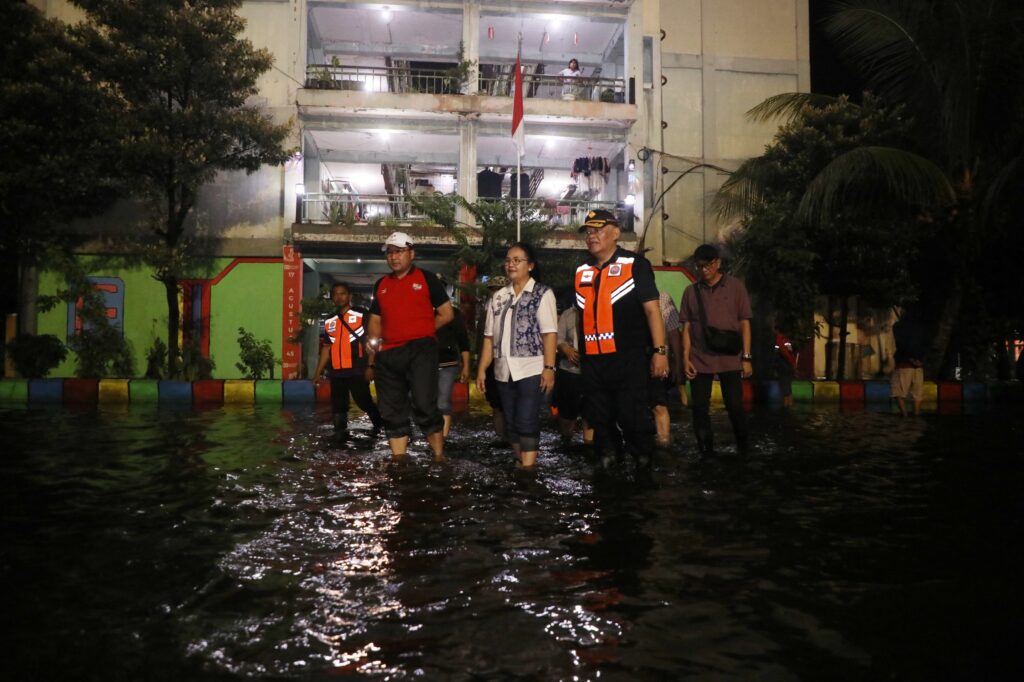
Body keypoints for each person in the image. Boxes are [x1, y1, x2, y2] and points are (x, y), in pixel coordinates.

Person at [574, 209, 668, 466]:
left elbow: (652, 310)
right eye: (588, 232)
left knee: (634, 419)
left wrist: (660, 352)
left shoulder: (634, 265)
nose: (591, 236)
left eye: (598, 230)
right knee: (600, 423)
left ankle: (643, 471)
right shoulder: (581, 271)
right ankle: (609, 474)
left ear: (615, 233)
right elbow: (579, 317)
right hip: (593, 363)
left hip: (628, 360)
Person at [365, 231, 454, 461]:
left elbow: (446, 313)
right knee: (391, 409)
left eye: (399, 251)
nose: (394, 257)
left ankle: (438, 455)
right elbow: (375, 319)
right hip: (388, 353)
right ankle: (399, 460)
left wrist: (424, 330)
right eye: (390, 252)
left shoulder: (427, 279)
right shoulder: (381, 284)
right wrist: (373, 346)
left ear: (411, 254)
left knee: (425, 404)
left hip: (421, 350)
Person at [476, 243, 558, 468]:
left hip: (532, 368)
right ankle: (520, 461)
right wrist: (482, 369)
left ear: (530, 265)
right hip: (503, 369)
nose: (510, 264)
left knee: (526, 419)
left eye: (517, 260)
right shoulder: (499, 297)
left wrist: (549, 368)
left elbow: (550, 333)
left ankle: (528, 470)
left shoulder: (542, 293)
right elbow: (488, 338)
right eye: (508, 260)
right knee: (510, 421)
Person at [680, 244, 753, 456]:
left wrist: (747, 357)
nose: (704, 270)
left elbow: (744, 323)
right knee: (699, 408)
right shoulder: (690, 292)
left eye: (708, 265)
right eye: (700, 266)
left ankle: (744, 450)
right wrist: (685, 358)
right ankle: (706, 453)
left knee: (735, 407)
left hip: (730, 357)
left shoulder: (735, 287)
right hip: (700, 358)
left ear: (718, 263)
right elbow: (685, 327)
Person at [312, 282, 384, 440]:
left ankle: (380, 428)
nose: (339, 297)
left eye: (342, 293)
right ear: (332, 298)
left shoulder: (362, 315)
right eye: (336, 294)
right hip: (336, 371)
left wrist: (371, 365)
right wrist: (317, 373)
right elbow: (326, 348)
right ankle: (340, 436)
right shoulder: (330, 321)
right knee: (338, 407)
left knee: (363, 401)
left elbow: (373, 340)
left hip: (357, 369)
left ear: (349, 296)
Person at [435, 275, 471, 437]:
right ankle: (432, 435)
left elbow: (463, 342)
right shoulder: (421, 313)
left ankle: (442, 438)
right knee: (423, 402)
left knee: (443, 401)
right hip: (424, 364)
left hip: (447, 364)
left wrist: (466, 366)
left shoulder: (453, 313)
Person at [554, 304, 593, 447]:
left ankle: (589, 446)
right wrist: (566, 348)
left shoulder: (597, 308)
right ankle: (566, 440)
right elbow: (558, 338)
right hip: (570, 372)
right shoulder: (567, 314)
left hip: (591, 371)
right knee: (566, 413)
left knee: (590, 413)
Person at [651, 290, 685, 447]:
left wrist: (678, 364)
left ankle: (664, 444)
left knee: (659, 404)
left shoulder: (662, 298)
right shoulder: (624, 296)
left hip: (659, 359)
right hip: (634, 361)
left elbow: (674, 334)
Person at [890, 307, 926, 416]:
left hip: (904, 364)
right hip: (918, 365)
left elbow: (901, 344)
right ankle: (916, 415)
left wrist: (910, 358)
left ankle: (904, 416)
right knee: (917, 395)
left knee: (898, 392)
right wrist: (919, 360)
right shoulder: (921, 328)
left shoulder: (898, 327)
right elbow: (924, 344)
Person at [774, 325, 798, 407]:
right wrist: (793, 364)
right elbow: (790, 352)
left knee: (784, 387)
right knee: (788, 386)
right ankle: (790, 404)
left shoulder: (779, 339)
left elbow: (780, 353)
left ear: (777, 331)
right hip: (789, 365)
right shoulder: (787, 340)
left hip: (783, 365)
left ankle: (786, 406)